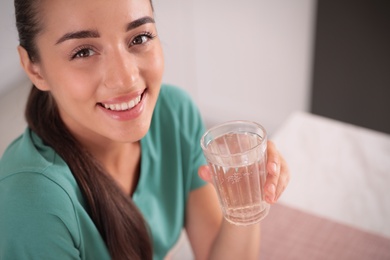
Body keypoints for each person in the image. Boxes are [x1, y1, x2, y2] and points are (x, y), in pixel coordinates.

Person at [0, 0, 290, 259]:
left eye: (139, 37)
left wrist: (248, 199)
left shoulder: (175, 113)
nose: (125, 78)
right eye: (83, 51)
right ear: (34, 68)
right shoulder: (31, 202)